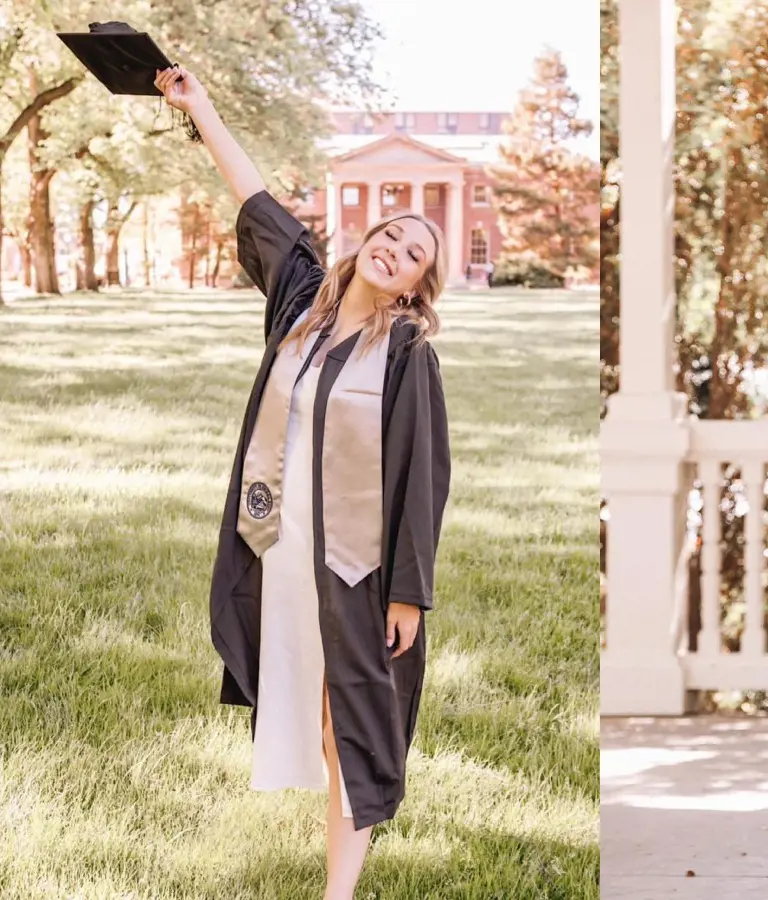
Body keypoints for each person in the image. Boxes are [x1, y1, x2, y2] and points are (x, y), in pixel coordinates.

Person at [154, 65, 452, 900]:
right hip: (276, 545)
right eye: (391, 235)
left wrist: (408, 592)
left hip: (353, 562)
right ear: (368, 243)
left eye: (414, 254)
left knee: (346, 726)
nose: (395, 250)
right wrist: (200, 106)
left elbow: (425, 480)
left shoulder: (406, 354)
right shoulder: (300, 299)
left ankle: (338, 892)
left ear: (418, 283)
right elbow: (255, 200)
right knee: (310, 703)